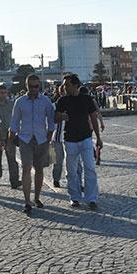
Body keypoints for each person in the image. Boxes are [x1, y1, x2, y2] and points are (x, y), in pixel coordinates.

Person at [8, 75, 55, 213]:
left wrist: (50, 134)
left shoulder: (46, 101)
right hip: (25, 139)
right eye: (31, 86)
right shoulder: (20, 101)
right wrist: (11, 137)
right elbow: (15, 120)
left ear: (39, 86)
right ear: (26, 86)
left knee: (39, 169)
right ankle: (27, 201)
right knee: (26, 168)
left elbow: (51, 119)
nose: (34, 89)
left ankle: (37, 197)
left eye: (36, 86)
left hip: (42, 139)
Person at [56, 74, 103, 210]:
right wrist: (62, 116)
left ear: (76, 85)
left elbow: (93, 118)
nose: (65, 87)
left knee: (90, 168)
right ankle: (74, 197)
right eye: (64, 85)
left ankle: (91, 198)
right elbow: (55, 117)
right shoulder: (62, 100)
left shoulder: (87, 99)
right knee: (71, 171)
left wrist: (98, 138)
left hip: (86, 139)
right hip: (69, 140)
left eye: (67, 85)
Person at [0, 85, 20, 189]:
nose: (4, 95)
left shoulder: (12, 104)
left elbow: (16, 118)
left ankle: (14, 181)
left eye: (5, 93)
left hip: (9, 136)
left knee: (12, 159)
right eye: (1, 93)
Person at [79, 86, 105, 165]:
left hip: (86, 125)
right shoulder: (92, 100)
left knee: (88, 141)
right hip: (91, 124)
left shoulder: (81, 101)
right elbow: (98, 112)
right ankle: (97, 153)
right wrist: (101, 123)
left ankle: (95, 155)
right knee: (91, 140)